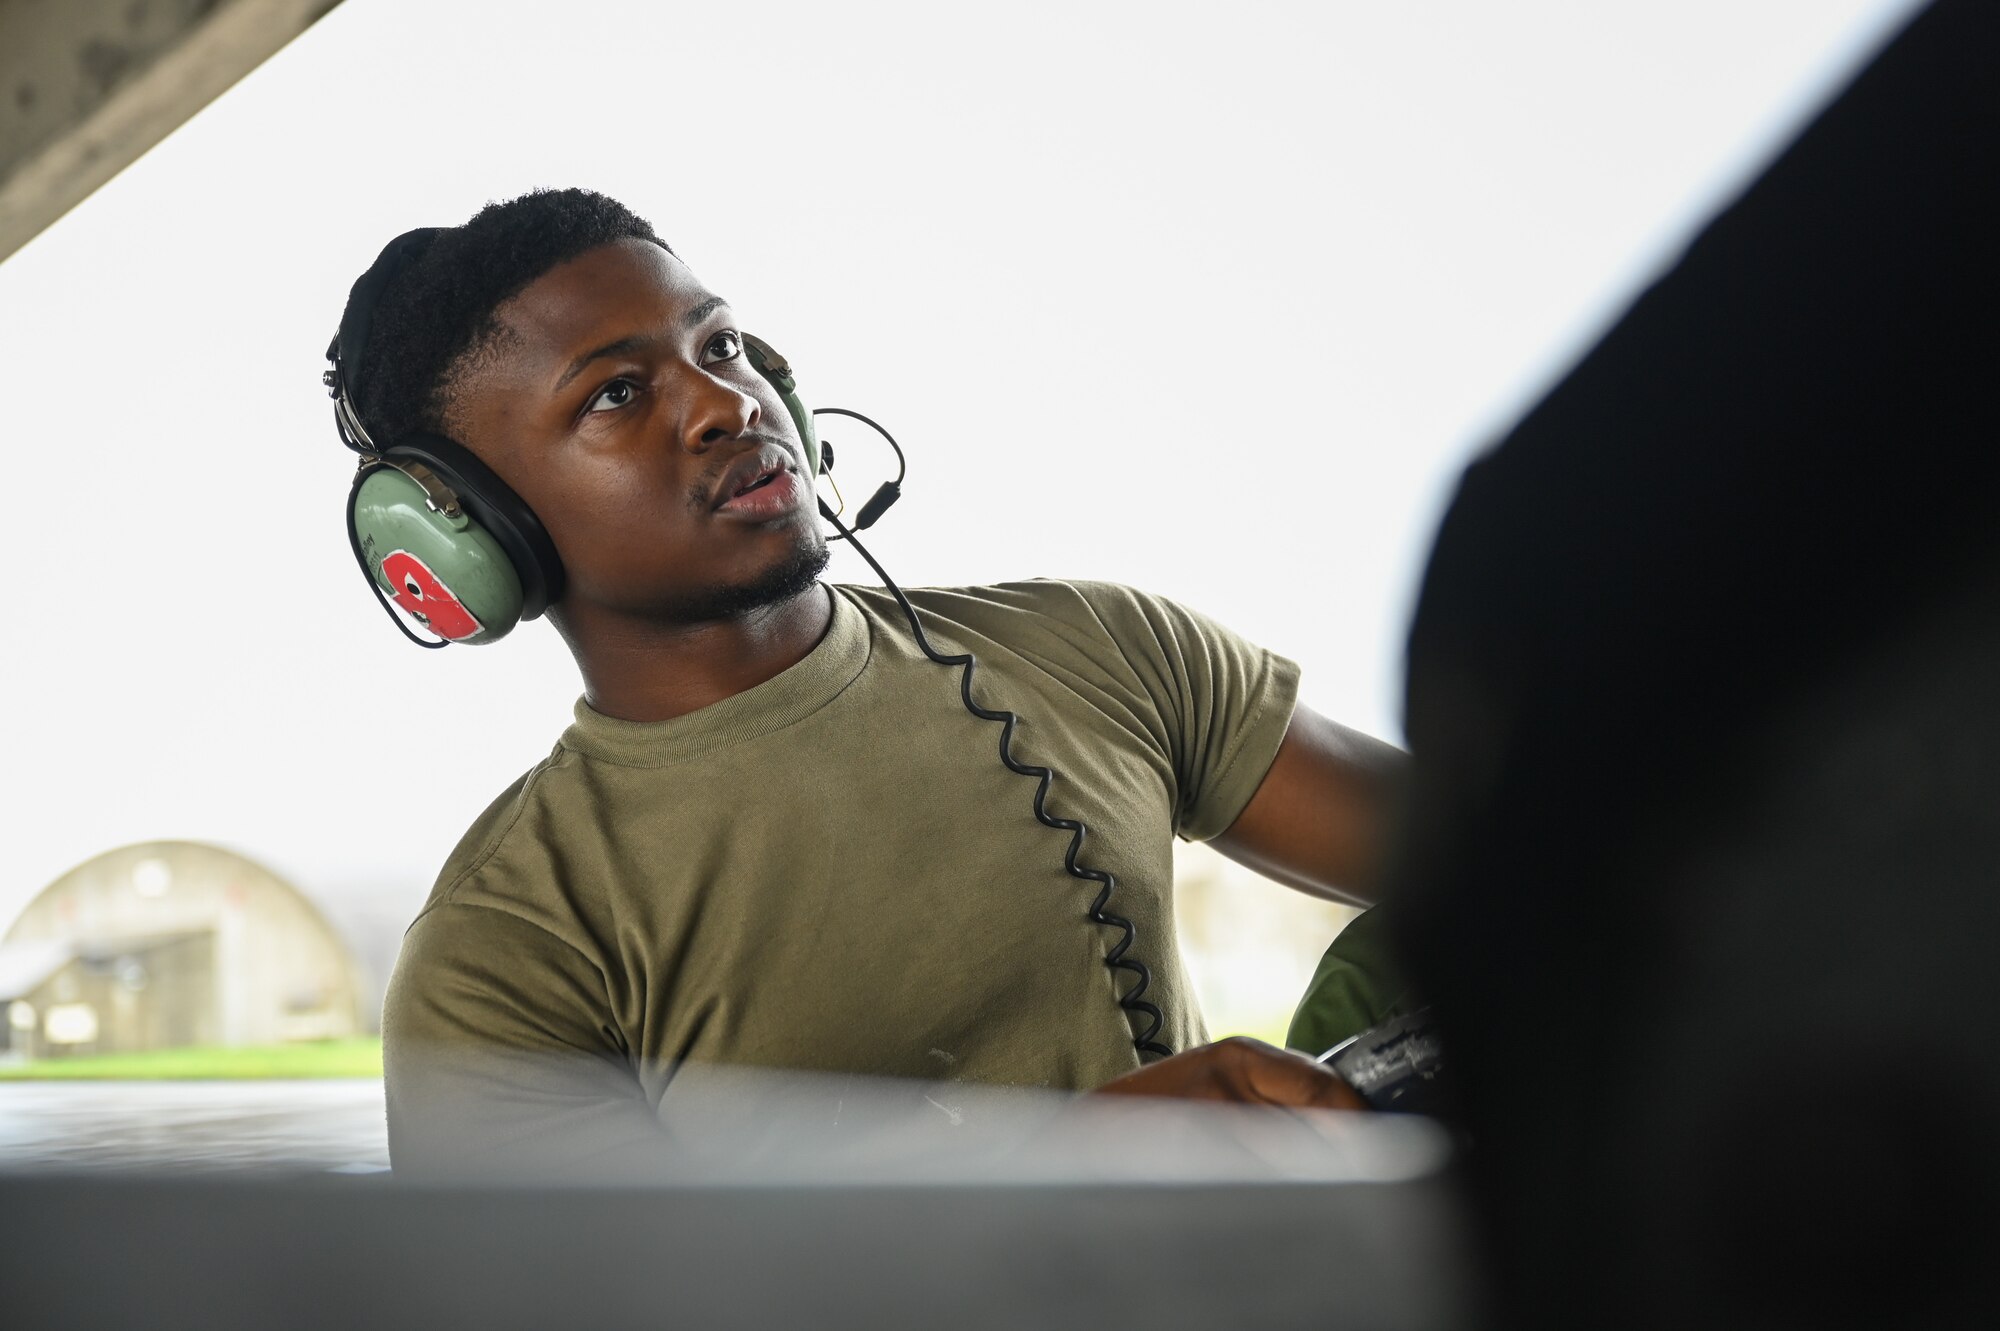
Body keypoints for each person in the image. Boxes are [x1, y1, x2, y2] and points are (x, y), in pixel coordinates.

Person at [350, 188, 1400, 1171]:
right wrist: (1081, 1158)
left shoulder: (1105, 645)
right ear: (473, 535)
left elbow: (1501, 856)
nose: (726, 403)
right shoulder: (502, 954)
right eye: (616, 393)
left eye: (719, 345)